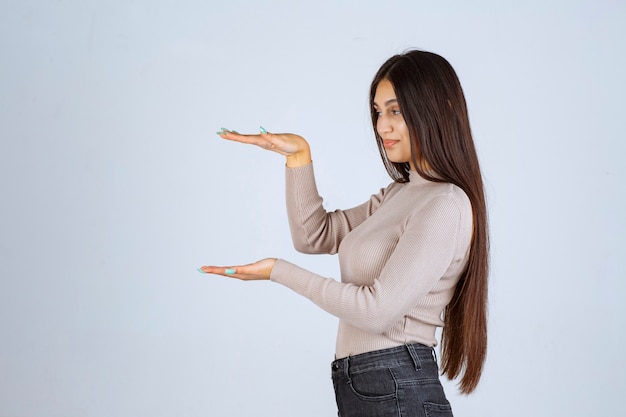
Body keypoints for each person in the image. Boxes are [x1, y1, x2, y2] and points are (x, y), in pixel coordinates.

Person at [198, 49, 489, 416]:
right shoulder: (398, 195)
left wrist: (278, 271)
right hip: (365, 385)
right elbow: (314, 235)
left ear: (441, 108)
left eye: (396, 110)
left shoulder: (445, 204)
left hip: (396, 385)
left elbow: (375, 312)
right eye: (378, 111)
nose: (383, 126)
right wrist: (298, 156)